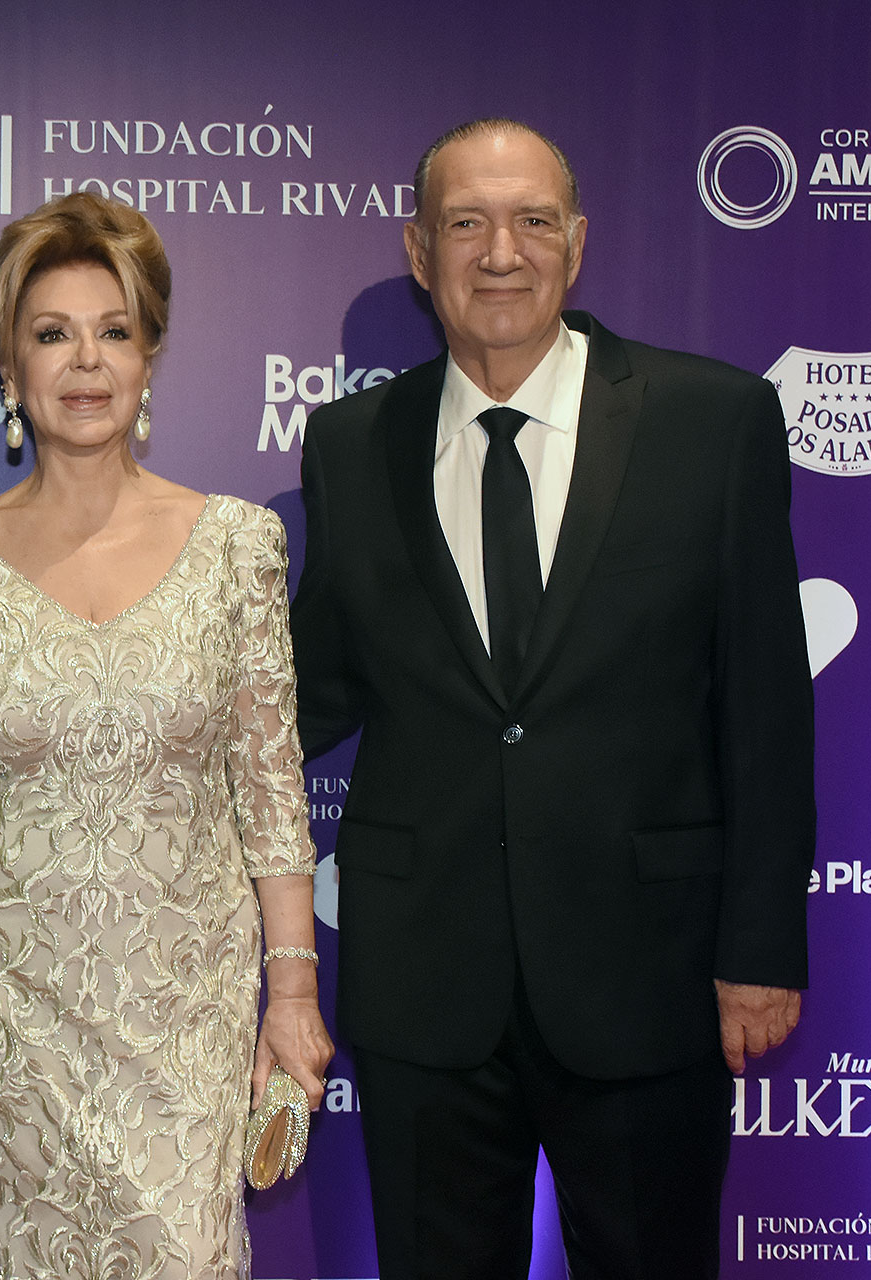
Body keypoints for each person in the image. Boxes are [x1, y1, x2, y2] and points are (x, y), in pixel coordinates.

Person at [290, 118, 814, 1279]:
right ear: (420, 252)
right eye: (466, 223)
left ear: (576, 245)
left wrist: (763, 946)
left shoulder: (711, 422)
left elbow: (769, 712)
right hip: (425, 985)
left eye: (532, 221)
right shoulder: (350, 443)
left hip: (650, 973)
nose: (501, 252)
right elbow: (305, 690)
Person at [0, 191, 334, 1279]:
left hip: (185, 1011)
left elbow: (272, 795)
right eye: (52, 332)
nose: (86, 361)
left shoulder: (236, 549)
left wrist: (295, 994)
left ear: (151, 354)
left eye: (113, 330)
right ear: (10, 366)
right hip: (3, 1012)